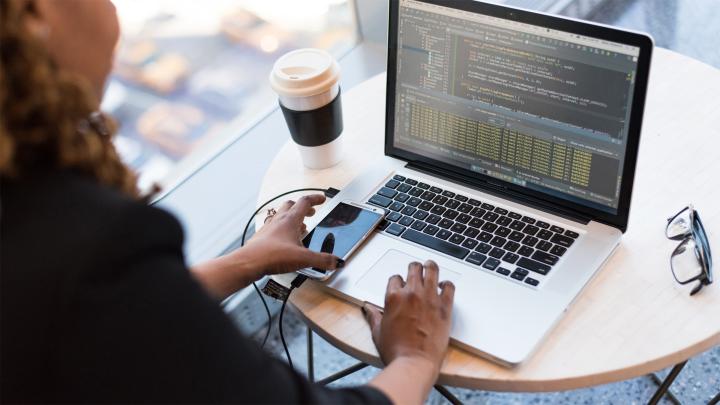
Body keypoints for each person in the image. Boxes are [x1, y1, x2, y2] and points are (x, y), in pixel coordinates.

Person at [0, 0, 456, 403]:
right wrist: (415, 358)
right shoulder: (94, 243)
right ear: (34, 16)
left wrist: (247, 260)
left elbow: (109, 318)